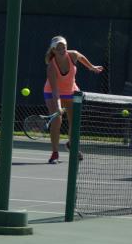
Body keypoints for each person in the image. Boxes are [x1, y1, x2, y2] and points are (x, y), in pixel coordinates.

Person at [43, 35, 104, 164]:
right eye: (58, 47)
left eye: (63, 46)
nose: (62, 49)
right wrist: (58, 107)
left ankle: (72, 145)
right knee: (56, 121)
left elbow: (81, 58)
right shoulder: (51, 67)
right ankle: (55, 153)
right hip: (52, 92)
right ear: (53, 50)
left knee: (74, 121)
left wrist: (91, 67)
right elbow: (55, 90)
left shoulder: (73, 55)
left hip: (71, 91)